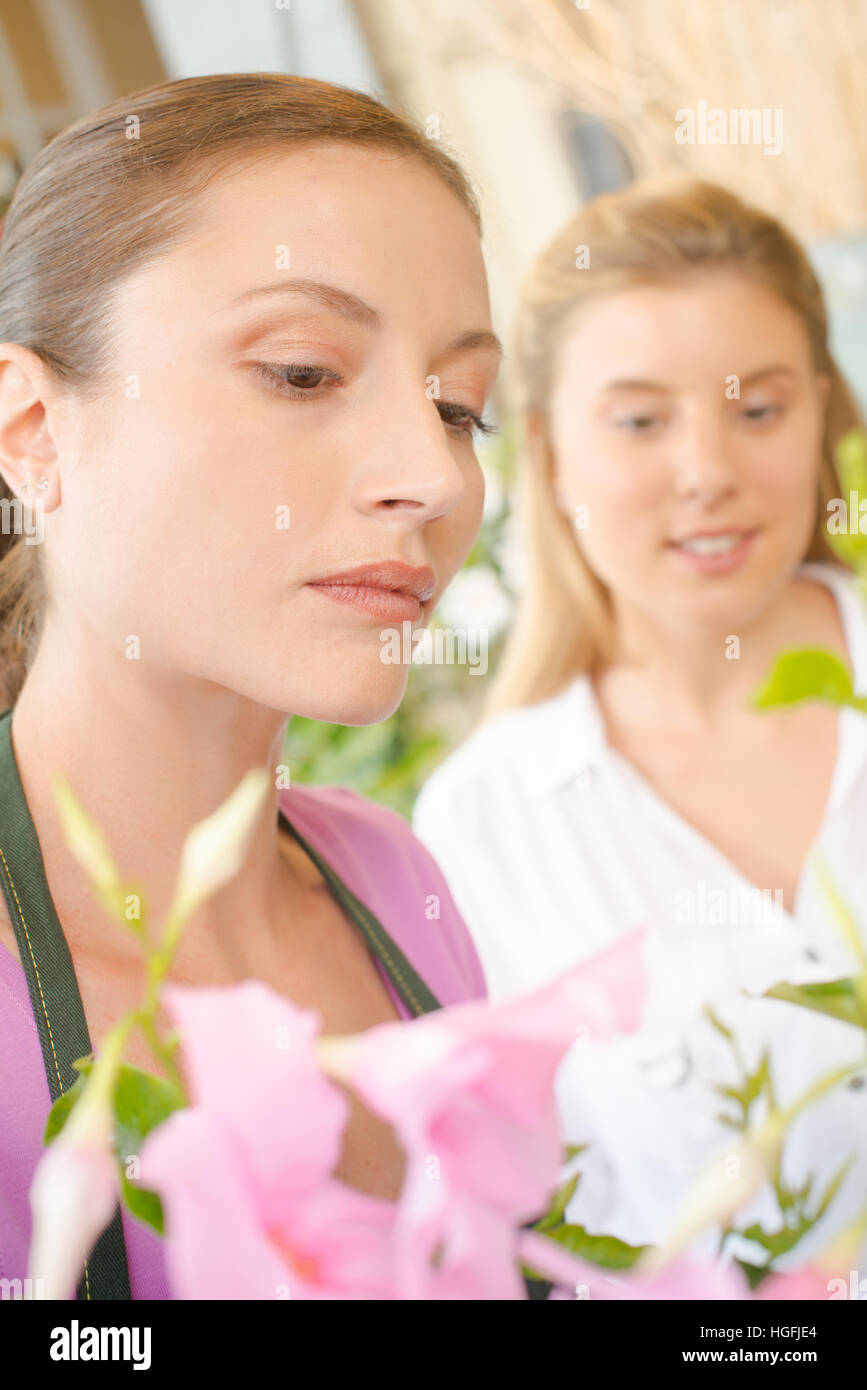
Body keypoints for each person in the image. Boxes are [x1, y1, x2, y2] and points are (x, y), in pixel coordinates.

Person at [0, 72, 502, 1299]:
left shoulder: (395, 878)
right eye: (301, 371)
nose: (430, 475)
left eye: (458, 406)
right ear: (31, 432)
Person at [413, 176, 867, 1263]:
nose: (708, 472)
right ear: (551, 454)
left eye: (757, 409)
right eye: (640, 420)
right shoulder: (487, 824)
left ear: (822, 414)